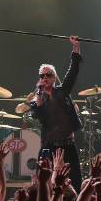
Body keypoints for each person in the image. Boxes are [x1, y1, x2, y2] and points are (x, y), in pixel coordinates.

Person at [30, 36, 83, 191]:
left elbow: (73, 71)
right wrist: (39, 92)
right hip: (49, 147)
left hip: (68, 146)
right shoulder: (37, 99)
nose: (45, 78)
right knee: (45, 185)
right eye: (42, 76)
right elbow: (38, 114)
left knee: (74, 182)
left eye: (48, 75)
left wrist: (76, 48)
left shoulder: (62, 91)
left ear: (54, 78)